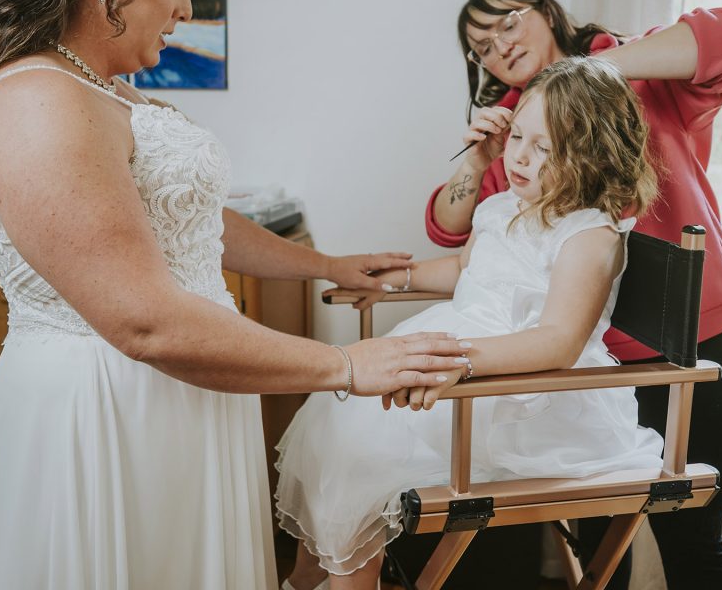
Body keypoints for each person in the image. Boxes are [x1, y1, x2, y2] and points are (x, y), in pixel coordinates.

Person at [0, 0, 470, 587]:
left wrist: (325, 265)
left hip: (181, 389)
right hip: (110, 406)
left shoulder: (97, 86)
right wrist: (348, 366)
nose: (186, 8)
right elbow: (142, 320)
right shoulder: (36, 101)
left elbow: (190, 220)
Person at [424, 0, 722, 589]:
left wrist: (589, 75)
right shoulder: (516, 125)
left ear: (546, 12)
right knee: (599, 536)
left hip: (697, 335)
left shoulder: (639, 71)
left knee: (691, 534)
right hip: (592, 359)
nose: (498, 47)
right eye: (481, 47)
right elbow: (450, 229)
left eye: (507, 24)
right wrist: (480, 159)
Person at [277, 56, 665, 590]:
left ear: (594, 155)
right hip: (467, 356)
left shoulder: (587, 235)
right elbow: (468, 270)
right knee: (340, 414)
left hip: (529, 392)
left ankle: (348, 582)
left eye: (545, 148)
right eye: (518, 137)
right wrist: (395, 278)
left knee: (365, 455)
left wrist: (457, 359)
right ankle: (307, 576)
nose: (521, 157)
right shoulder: (504, 205)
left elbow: (558, 341)